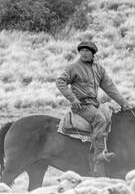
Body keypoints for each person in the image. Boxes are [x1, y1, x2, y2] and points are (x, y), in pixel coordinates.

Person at [55, 36, 130, 176]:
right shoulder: (73, 67)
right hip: (82, 105)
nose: (83, 53)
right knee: (100, 119)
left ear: (92, 53)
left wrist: (124, 103)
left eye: (86, 51)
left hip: (94, 104)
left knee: (111, 115)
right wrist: (73, 99)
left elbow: (110, 87)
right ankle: (99, 154)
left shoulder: (99, 69)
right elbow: (60, 82)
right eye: (81, 51)